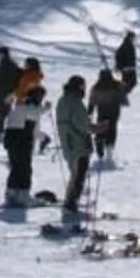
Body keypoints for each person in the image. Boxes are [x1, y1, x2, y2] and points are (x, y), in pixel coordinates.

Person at [2, 61, 48, 198]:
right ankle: (22, 192)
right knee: (23, 166)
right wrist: (45, 109)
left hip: (13, 137)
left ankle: (12, 191)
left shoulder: (20, 107)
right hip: (20, 138)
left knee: (16, 166)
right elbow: (33, 114)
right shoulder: (28, 108)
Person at [55, 74, 96, 220]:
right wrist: (96, 128)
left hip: (67, 142)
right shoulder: (75, 102)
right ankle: (70, 205)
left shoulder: (62, 100)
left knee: (74, 174)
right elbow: (82, 124)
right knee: (78, 175)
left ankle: (70, 203)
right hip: (78, 143)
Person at [90, 66, 129, 160]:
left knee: (101, 127)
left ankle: (99, 140)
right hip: (114, 111)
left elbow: (92, 100)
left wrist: (89, 111)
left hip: (102, 111)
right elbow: (124, 99)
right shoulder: (116, 85)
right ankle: (109, 148)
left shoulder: (96, 86)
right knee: (112, 129)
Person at [0, 45, 20, 133]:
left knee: (4, 110)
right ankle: (7, 127)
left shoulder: (8, 63)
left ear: (3, 53)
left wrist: (11, 89)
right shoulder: (5, 62)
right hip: (3, 91)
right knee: (5, 110)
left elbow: (14, 77)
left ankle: (5, 128)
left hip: (6, 91)